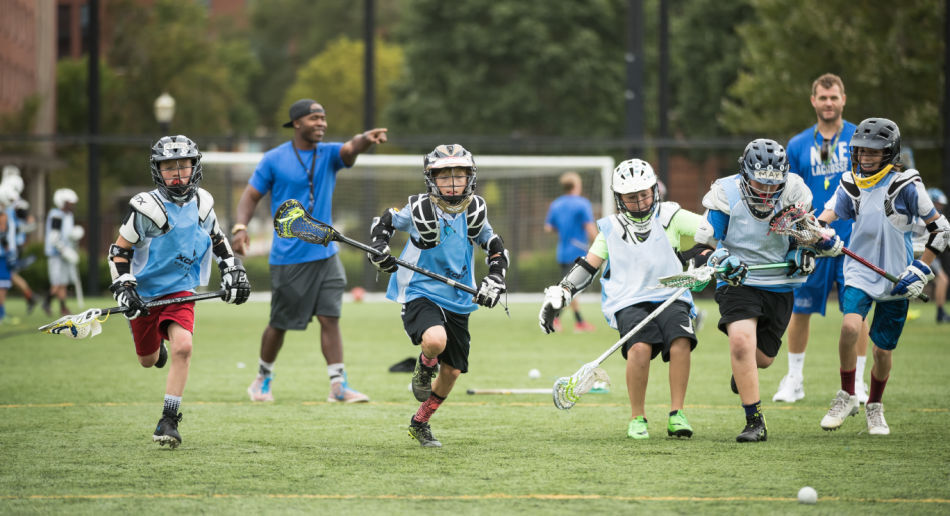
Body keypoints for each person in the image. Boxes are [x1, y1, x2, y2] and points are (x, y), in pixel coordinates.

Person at [539, 159, 709, 440]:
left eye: (644, 194)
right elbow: (588, 266)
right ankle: (637, 417)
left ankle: (677, 413)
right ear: (620, 199)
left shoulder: (671, 215)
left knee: (681, 342)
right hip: (628, 299)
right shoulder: (611, 228)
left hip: (671, 294)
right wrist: (562, 293)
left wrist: (703, 256)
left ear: (654, 190)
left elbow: (712, 230)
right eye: (632, 198)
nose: (641, 202)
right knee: (639, 349)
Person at [232, 98, 387, 403]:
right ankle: (262, 378)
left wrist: (364, 141)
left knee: (330, 317)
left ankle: (338, 385)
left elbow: (349, 149)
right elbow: (250, 196)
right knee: (279, 324)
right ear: (298, 123)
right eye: (315, 118)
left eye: (324, 118)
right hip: (289, 257)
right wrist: (240, 227)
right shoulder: (274, 159)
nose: (322, 124)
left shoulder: (329, 154)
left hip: (326, 255)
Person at [108, 135, 251, 448]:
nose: (176, 173)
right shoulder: (146, 208)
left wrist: (232, 268)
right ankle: (156, 347)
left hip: (181, 289)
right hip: (145, 294)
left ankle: (169, 419)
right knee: (147, 360)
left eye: (182, 166)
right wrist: (124, 287)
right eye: (168, 166)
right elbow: (119, 252)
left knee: (183, 347)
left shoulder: (203, 203)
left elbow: (218, 239)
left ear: (194, 167)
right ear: (157, 170)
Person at [368, 144, 508, 447]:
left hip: (458, 297)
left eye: (460, 175)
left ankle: (420, 422)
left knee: (453, 371)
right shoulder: (419, 208)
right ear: (431, 179)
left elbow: (495, 247)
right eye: (445, 176)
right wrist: (380, 251)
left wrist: (495, 279)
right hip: (420, 290)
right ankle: (423, 367)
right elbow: (386, 222)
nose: (453, 183)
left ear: (470, 177)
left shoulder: (475, 211)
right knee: (434, 341)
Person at [817, 118, 948, 435]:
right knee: (850, 327)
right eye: (861, 151)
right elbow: (826, 215)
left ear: (890, 153)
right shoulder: (851, 183)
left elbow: (941, 229)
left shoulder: (908, 186)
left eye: (874, 152)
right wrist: (821, 232)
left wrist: (921, 267)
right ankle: (847, 394)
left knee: (881, 351)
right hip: (859, 270)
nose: (865, 157)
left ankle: (875, 405)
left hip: (897, 276)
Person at [694, 138, 819, 442]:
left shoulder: (795, 192)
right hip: (737, 279)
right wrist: (720, 257)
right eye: (758, 182)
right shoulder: (726, 193)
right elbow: (700, 248)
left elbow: (808, 238)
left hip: (778, 282)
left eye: (771, 184)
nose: (765, 190)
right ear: (745, 174)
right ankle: (754, 420)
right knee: (741, 343)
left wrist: (803, 254)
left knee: (762, 358)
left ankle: (743, 372)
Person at [774, 73, 871, 404]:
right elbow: (788, 192)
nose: (828, 103)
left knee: (856, 312)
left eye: (834, 97)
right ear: (813, 101)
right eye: (822, 97)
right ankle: (794, 379)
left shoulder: (861, 139)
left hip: (852, 239)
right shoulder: (799, 144)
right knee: (799, 309)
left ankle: (857, 382)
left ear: (843, 99)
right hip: (810, 240)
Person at [544, 171, 597, 332]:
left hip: (563, 252)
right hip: (578, 253)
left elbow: (548, 228)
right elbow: (590, 227)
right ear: (576, 186)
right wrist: (600, 245)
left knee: (570, 288)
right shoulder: (582, 204)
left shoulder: (556, 204)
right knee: (570, 289)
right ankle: (558, 319)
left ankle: (573, 321)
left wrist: (563, 229)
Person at [43, 188, 79, 316]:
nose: (71, 206)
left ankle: (63, 307)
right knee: (57, 282)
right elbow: (54, 238)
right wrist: (64, 250)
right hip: (56, 254)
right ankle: (46, 302)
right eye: (69, 203)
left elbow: (68, 235)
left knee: (63, 282)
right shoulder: (56, 215)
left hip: (65, 253)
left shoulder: (69, 216)